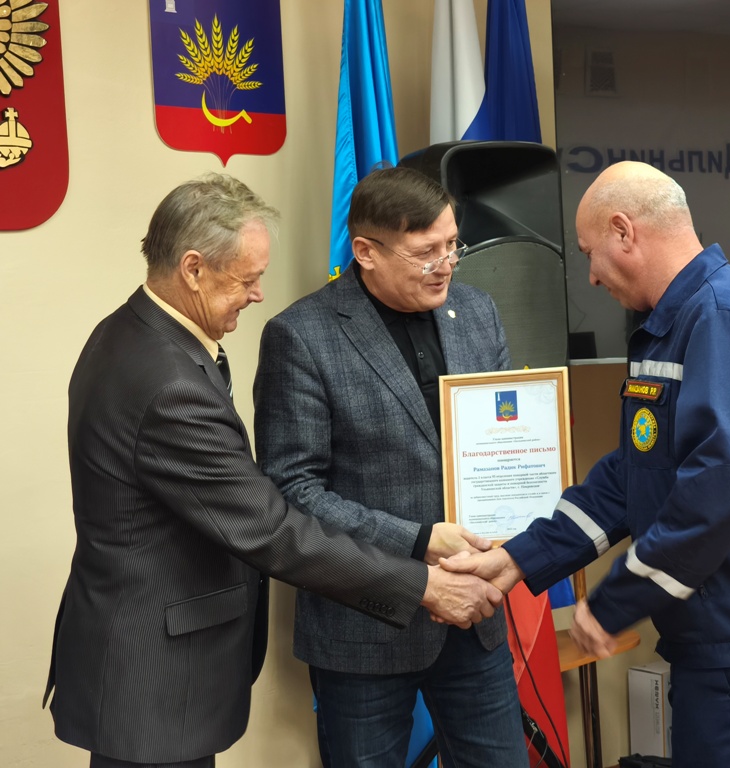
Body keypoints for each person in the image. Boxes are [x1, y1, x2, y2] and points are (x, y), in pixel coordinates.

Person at [43, 173, 502, 768]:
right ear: (193, 269)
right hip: (152, 669)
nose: (259, 294)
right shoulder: (166, 380)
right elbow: (269, 526)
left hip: (144, 654)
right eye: (248, 278)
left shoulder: (131, 334)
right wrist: (424, 584)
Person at [441, 162, 730, 767]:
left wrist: (614, 601)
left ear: (624, 231)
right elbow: (634, 477)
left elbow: (724, 488)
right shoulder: (675, 322)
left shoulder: (719, 317)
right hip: (718, 640)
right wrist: (518, 557)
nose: (591, 277)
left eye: (589, 254)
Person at [252, 166, 528, 768]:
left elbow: (504, 444)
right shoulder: (301, 336)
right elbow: (292, 491)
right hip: (363, 630)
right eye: (426, 252)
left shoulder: (477, 311)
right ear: (366, 252)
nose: (446, 264)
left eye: (452, 245)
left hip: (475, 618)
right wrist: (419, 540)